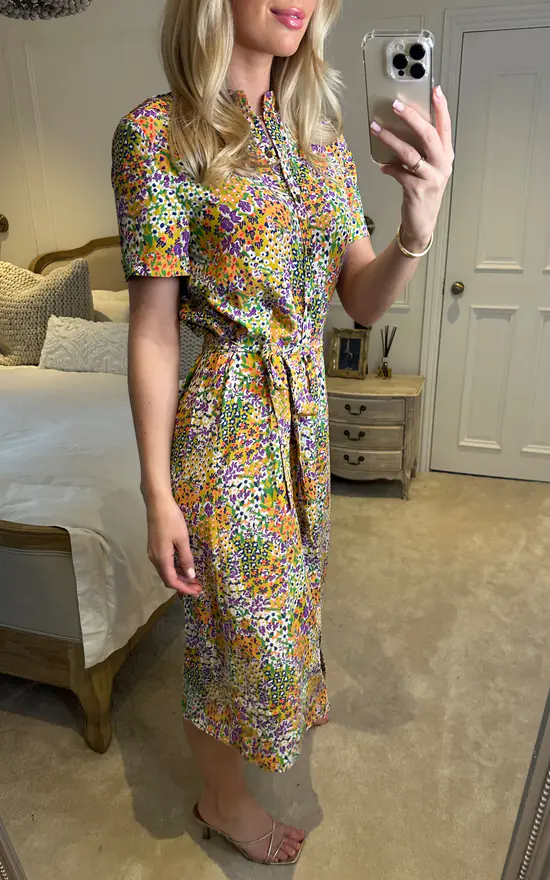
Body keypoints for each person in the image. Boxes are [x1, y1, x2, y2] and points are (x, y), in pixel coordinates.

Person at [111, 0, 453, 866]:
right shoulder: (157, 135)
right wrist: (157, 492)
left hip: (305, 427)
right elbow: (153, 329)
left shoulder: (321, 140)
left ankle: (236, 770)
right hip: (226, 427)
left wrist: (416, 227)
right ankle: (222, 801)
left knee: (287, 614)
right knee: (238, 639)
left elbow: (359, 298)